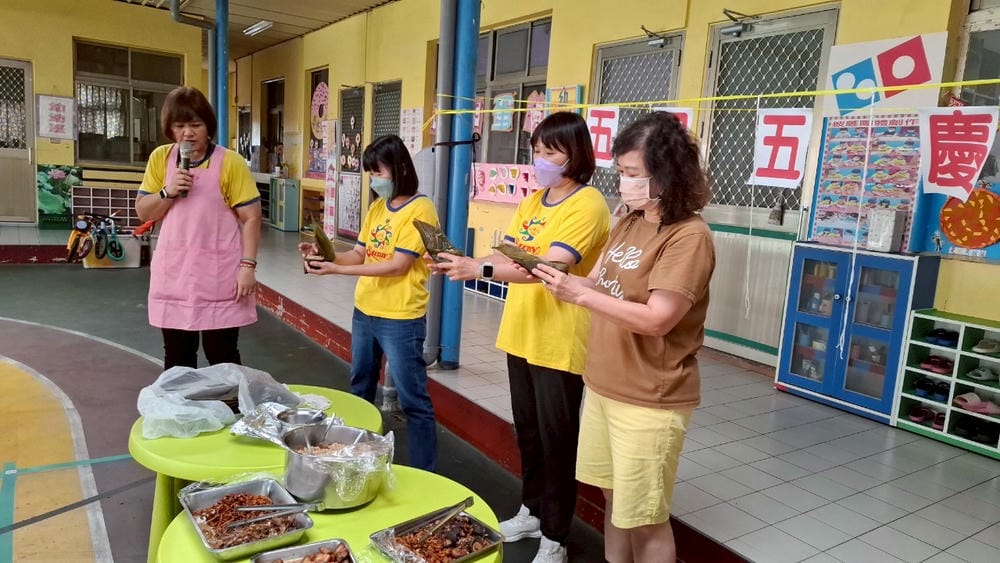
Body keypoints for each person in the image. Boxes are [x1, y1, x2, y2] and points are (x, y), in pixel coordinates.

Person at [531, 111, 715, 563]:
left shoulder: (688, 237)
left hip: (648, 398)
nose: (624, 184)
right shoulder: (631, 220)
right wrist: (559, 279)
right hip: (603, 386)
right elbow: (596, 281)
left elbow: (657, 319)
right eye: (621, 173)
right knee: (616, 505)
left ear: (666, 175)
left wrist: (579, 295)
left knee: (647, 519)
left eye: (633, 174)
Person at [431, 112, 610, 563]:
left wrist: (480, 269)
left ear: (575, 154)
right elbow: (510, 253)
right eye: (537, 150)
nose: (540, 160)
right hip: (522, 332)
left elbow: (547, 267)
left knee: (556, 441)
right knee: (528, 433)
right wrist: (467, 262)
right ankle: (532, 510)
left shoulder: (587, 204)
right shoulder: (533, 201)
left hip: (559, 339)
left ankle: (556, 536)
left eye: (551, 152)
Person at [299, 134, 439, 472]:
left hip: (401, 318)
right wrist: (325, 256)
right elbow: (359, 254)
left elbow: (398, 266)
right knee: (359, 387)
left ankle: (425, 472)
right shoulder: (378, 207)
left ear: (399, 168)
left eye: (378, 172)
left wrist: (337, 270)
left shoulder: (421, 209)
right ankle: (356, 460)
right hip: (365, 312)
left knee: (413, 400)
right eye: (370, 173)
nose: (374, 179)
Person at [135, 86, 261, 370]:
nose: (188, 133)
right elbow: (143, 211)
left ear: (208, 127)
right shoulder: (161, 158)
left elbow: (251, 217)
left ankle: (229, 399)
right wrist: (167, 191)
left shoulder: (229, 162)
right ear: (169, 128)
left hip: (219, 275)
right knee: (177, 356)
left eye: (195, 125)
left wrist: (248, 266)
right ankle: (182, 400)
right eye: (179, 126)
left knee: (222, 354)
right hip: (175, 273)